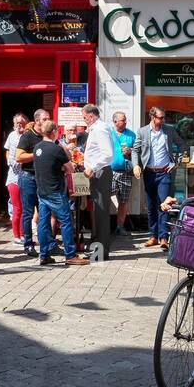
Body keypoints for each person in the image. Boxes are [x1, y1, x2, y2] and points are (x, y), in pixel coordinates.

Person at [30, 118, 90, 269]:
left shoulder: (37, 148)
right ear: (53, 132)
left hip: (42, 190)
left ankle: (44, 255)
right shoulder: (56, 149)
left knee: (43, 223)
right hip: (55, 190)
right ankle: (70, 255)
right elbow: (70, 167)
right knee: (66, 221)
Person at [132, 107, 184, 248]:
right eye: (160, 118)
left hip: (164, 173)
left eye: (163, 117)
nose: (162, 120)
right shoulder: (142, 131)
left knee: (164, 205)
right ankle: (153, 235)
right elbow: (135, 150)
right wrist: (136, 165)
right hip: (149, 172)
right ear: (152, 117)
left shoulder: (169, 130)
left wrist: (176, 161)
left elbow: (181, 144)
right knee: (151, 205)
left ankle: (163, 237)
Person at [80, 103, 116, 262]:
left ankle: (100, 253)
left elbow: (108, 154)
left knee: (101, 213)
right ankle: (98, 251)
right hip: (97, 173)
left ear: (91, 115)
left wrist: (92, 167)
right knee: (97, 211)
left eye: (84, 117)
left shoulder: (100, 128)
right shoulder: (96, 128)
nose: (84, 120)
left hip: (100, 172)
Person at [12, 107, 49, 256]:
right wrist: (37, 153)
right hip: (28, 177)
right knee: (28, 213)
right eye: (45, 119)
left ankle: (47, 244)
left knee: (44, 212)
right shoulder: (27, 136)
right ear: (38, 120)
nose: (48, 121)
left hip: (44, 178)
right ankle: (28, 244)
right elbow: (18, 157)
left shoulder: (48, 135)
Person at [109, 111, 136, 234]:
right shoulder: (108, 133)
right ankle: (103, 226)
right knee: (104, 197)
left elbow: (138, 151)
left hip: (125, 172)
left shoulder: (131, 134)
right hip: (109, 171)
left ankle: (120, 227)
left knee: (123, 201)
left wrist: (131, 151)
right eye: (122, 120)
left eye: (125, 120)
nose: (125, 122)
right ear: (115, 121)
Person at [4, 113, 28, 244]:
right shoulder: (11, 136)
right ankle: (16, 236)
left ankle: (23, 234)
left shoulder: (27, 136)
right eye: (18, 123)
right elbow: (7, 151)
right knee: (17, 207)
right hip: (13, 176)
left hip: (25, 175)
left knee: (24, 208)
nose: (20, 126)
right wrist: (9, 160)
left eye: (22, 123)